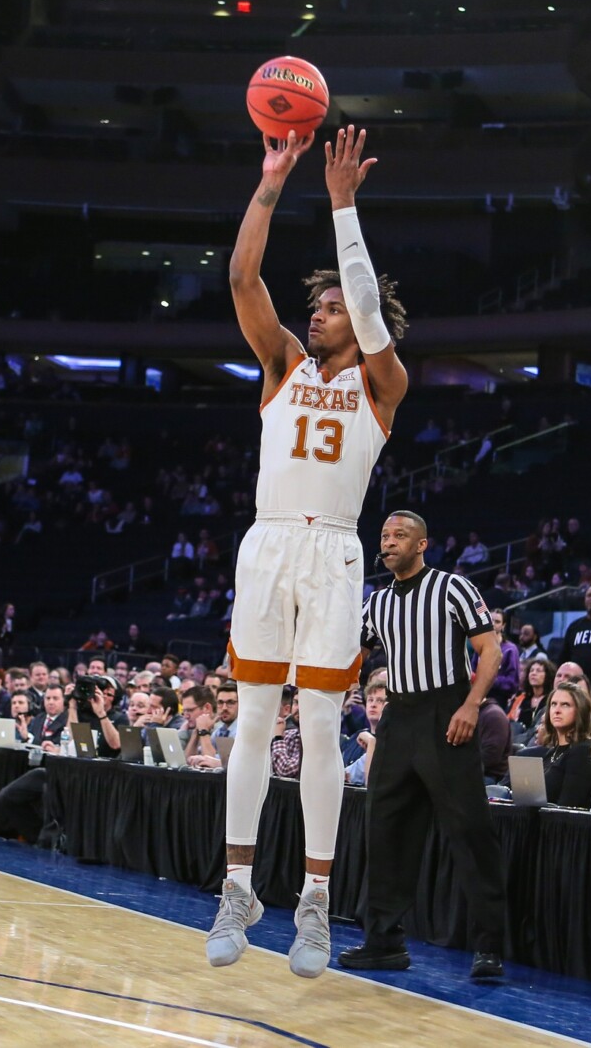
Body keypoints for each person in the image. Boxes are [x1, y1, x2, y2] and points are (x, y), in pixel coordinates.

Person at [207, 123, 408, 980]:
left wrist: (343, 205)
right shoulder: (282, 362)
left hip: (332, 552)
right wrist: (271, 180)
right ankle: (239, 886)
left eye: (325, 307)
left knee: (322, 725)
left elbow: (366, 311)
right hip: (268, 542)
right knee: (254, 719)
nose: (314, 313)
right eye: (315, 306)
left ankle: (318, 903)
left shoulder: (381, 381)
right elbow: (241, 277)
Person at [338, 510, 506, 980]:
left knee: (468, 830)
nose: (389, 542)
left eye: (400, 536)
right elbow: (358, 653)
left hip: (446, 711)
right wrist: (337, 688)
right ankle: (384, 941)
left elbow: (488, 651)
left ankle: (490, 944)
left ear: (422, 544)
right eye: (385, 535)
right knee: (384, 829)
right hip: (399, 715)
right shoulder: (377, 603)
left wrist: (472, 705)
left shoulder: (453, 588)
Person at [513, 683, 591, 807]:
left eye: (565, 705)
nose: (557, 710)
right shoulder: (552, 752)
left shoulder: (583, 751)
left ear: (580, 710)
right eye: (553, 704)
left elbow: (568, 806)